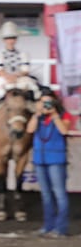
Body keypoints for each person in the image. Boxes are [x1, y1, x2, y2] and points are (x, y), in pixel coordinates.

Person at [26, 90, 71, 237]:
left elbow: (64, 131)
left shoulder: (63, 116)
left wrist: (54, 116)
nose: (45, 105)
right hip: (40, 159)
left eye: (48, 102)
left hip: (56, 160)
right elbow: (30, 129)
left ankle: (61, 228)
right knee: (46, 195)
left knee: (59, 194)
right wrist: (37, 114)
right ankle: (48, 225)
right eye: (42, 102)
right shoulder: (38, 118)